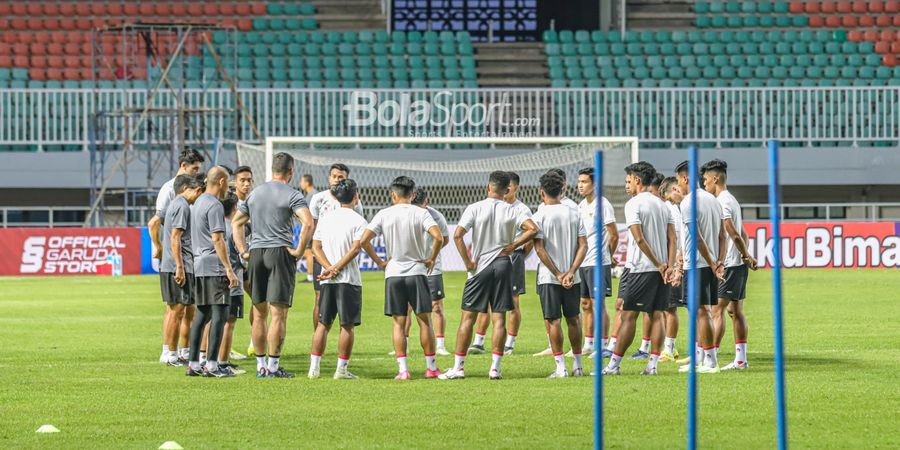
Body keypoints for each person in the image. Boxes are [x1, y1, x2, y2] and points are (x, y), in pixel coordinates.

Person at [439, 171, 537, 380]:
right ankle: (495, 368)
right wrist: (514, 245)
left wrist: (467, 262)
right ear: (507, 190)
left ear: (488, 187)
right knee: (499, 317)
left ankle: (458, 368)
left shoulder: (475, 208)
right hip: (503, 263)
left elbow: (457, 235)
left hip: (480, 266)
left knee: (468, 317)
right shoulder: (512, 210)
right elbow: (533, 229)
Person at [232, 152, 315, 378]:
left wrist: (243, 251)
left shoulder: (255, 193)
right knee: (278, 315)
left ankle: (260, 366)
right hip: (280, 252)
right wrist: (299, 250)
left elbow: (236, 223)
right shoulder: (292, 194)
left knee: (259, 314)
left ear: (271, 170)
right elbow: (308, 223)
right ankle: (274, 366)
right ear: (291, 171)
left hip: (256, 253)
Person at [360, 176, 443, 381]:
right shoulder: (421, 213)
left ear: (393, 195)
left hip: (394, 273)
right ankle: (431, 368)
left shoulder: (384, 213)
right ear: (413, 195)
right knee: (425, 321)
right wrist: (431, 258)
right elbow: (439, 237)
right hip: (417, 271)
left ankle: (403, 370)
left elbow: (364, 241)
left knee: (398, 323)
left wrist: (380, 262)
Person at [601, 162, 676, 376]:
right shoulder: (662, 204)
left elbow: (639, 239)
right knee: (657, 315)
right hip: (661, 269)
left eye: (629, 179)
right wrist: (668, 266)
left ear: (637, 180)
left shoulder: (634, 204)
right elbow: (673, 238)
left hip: (642, 269)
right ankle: (652, 366)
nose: (627, 184)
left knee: (628, 316)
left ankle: (614, 365)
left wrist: (659, 264)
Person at [308, 179, 371, 380]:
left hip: (328, 279)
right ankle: (341, 370)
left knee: (323, 324)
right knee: (347, 325)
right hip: (348, 279)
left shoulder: (326, 218)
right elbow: (355, 249)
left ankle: (314, 369)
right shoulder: (359, 220)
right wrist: (336, 268)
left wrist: (328, 268)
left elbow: (315, 247)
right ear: (356, 197)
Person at [702, 159, 757, 371]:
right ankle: (741, 359)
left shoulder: (722, 201)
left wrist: (743, 256)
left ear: (716, 178)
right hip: (737, 262)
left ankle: (711, 358)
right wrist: (747, 255)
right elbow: (742, 232)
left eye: (706, 179)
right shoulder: (732, 200)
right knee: (735, 311)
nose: (704, 183)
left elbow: (732, 232)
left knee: (717, 310)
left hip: (730, 264)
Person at [672, 160, 727, 374]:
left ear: (685, 178)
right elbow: (722, 235)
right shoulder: (713, 200)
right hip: (709, 263)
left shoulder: (688, 203)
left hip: (697, 264)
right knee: (704, 311)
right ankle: (702, 358)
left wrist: (713, 262)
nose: (678, 184)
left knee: (700, 312)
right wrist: (719, 260)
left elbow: (696, 237)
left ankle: (711, 361)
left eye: (678, 180)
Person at [151, 148, 204, 363]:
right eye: (194, 169)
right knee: (175, 308)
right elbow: (156, 222)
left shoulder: (188, 196)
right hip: (177, 259)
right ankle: (168, 351)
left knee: (188, 308)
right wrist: (160, 248)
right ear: (183, 167)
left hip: (187, 258)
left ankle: (183, 350)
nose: (197, 173)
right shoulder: (171, 192)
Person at [532, 173, 588, 378]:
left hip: (549, 277)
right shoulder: (574, 212)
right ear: (562, 190)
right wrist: (571, 271)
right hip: (573, 278)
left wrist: (557, 273)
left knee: (554, 320)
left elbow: (539, 250)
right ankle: (578, 365)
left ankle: (560, 368)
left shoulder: (539, 216)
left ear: (542, 192)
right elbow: (584, 245)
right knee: (574, 319)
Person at [186, 167, 239, 377]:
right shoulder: (215, 205)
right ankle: (212, 365)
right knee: (220, 314)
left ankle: (193, 363)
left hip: (199, 265)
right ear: (222, 181)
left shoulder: (197, 202)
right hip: (214, 265)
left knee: (202, 313)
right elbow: (217, 238)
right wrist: (229, 269)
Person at [307, 164, 365, 332]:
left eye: (341, 177)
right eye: (334, 176)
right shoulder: (318, 198)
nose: (337, 180)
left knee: (344, 306)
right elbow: (313, 226)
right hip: (322, 254)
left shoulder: (355, 203)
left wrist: (332, 268)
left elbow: (357, 229)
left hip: (343, 254)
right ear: (329, 178)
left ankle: (342, 342)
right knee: (319, 298)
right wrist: (329, 267)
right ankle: (318, 336)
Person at [575, 167, 618, 358]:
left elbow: (614, 235)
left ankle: (602, 344)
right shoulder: (581, 206)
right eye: (579, 182)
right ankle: (589, 343)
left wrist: (607, 256)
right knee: (585, 303)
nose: (580, 185)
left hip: (597, 262)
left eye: (584, 182)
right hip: (583, 262)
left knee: (597, 304)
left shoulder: (603, 204)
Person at [411, 188, 452, 356]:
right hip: (411, 267)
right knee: (407, 307)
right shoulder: (408, 213)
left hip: (432, 268)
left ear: (425, 203)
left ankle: (440, 345)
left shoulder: (436, 217)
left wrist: (431, 255)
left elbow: (445, 238)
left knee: (436, 306)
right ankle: (403, 343)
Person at [219, 192, 247, 375]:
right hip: (233, 279)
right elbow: (241, 255)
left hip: (216, 277)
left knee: (214, 320)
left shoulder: (217, 227)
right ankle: (223, 361)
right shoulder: (234, 228)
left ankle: (208, 358)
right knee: (229, 323)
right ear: (235, 208)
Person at [659, 176, 686, 362]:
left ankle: (668, 348)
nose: (680, 192)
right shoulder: (671, 209)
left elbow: (678, 241)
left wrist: (676, 268)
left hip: (673, 266)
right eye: (676, 189)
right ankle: (672, 348)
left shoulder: (673, 211)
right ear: (667, 193)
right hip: (670, 265)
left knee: (670, 308)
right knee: (666, 308)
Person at [233, 165, 255, 360]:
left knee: (258, 299)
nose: (246, 184)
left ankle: (254, 341)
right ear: (235, 182)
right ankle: (225, 346)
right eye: (242, 180)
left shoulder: (255, 202)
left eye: (249, 180)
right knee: (226, 306)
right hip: (233, 262)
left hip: (250, 261)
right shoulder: (230, 203)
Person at [299, 174, 318, 283]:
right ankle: (311, 275)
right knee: (309, 251)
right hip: (313, 226)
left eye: (301, 181)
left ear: (307, 183)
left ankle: (310, 276)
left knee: (308, 252)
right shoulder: (312, 194)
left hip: (311, 227)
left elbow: (309, 214)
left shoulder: (312, 196)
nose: (300, 184)